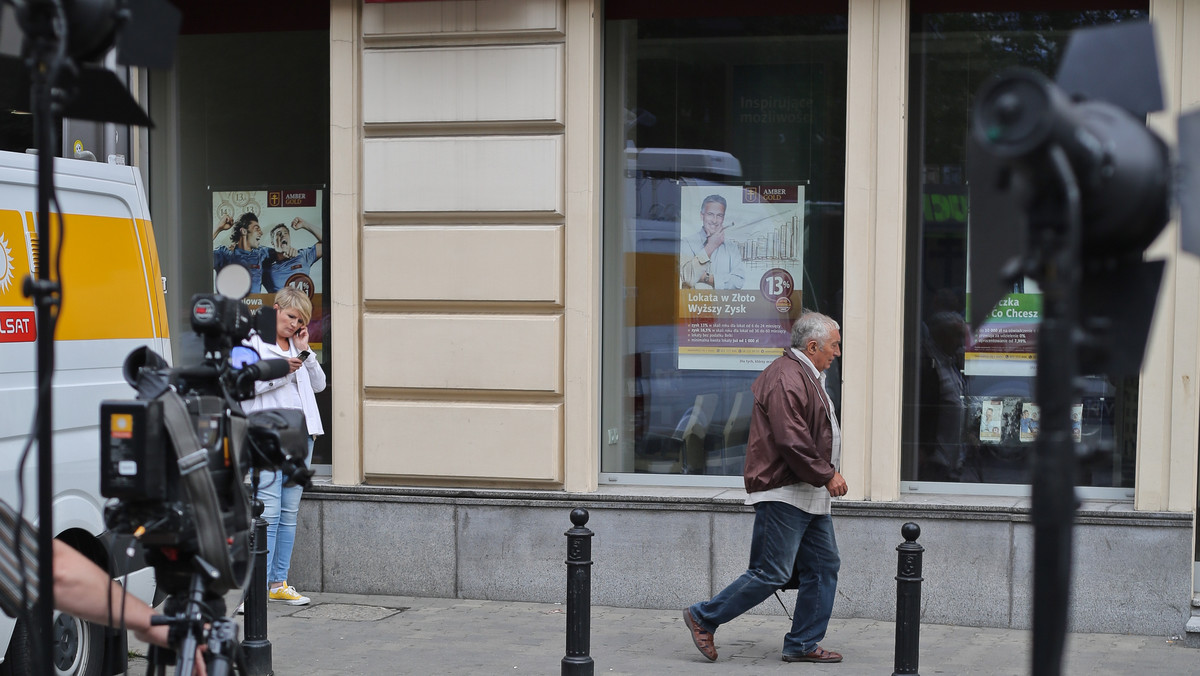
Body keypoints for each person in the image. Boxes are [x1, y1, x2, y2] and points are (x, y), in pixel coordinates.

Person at [683, 312, 845, 664]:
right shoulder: (787, 376)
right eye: (834, 345)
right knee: (771, 571)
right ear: (813, 345)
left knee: (823, 566)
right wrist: (826, 473)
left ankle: (802, 643)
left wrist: (821, 476)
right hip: (786, 490)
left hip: (805, 490)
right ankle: (704, 616)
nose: (837, 352)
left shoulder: (804, 374)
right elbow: (791, 439)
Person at [244, 287, 326, 606]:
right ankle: (256, 589)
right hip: (266, 435)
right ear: (276, 309)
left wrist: (306, 353)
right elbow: (246, 385)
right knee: (269, 510)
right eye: (291, 316)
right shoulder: (252, 343)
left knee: (289, 512)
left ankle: (278, 582)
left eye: (301, 320)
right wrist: (283, 372)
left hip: (301, 435)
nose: (294, 324)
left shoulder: (297, 345)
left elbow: (318, 385)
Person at [679, 194, 746, 290]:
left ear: (723, 218)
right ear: (702, 216)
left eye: (719, 215)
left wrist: (706, 278)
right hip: (693, 304)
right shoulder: (686, 243)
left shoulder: (732, 247)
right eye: (710, 214)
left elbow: (738, 282)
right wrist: (711, 246)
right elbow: (688, 278)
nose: (714, 220)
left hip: (724, 304)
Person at [263, 217, 323, 295]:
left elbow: (329, 242)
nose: (282, 235)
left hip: (302, 305)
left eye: (285, 233)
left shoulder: (303, 256)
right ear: (272, 243)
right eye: (278, 234)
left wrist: (305, 224)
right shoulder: (267, 269)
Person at [213, 213, 270, 293]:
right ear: (243, 231)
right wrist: (218, 228)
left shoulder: (262, 253)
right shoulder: (224, 254)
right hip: (230, 305)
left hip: (254, 305)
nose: (261, 233)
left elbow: (284, 252)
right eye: (257, 229)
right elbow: (197, 254)